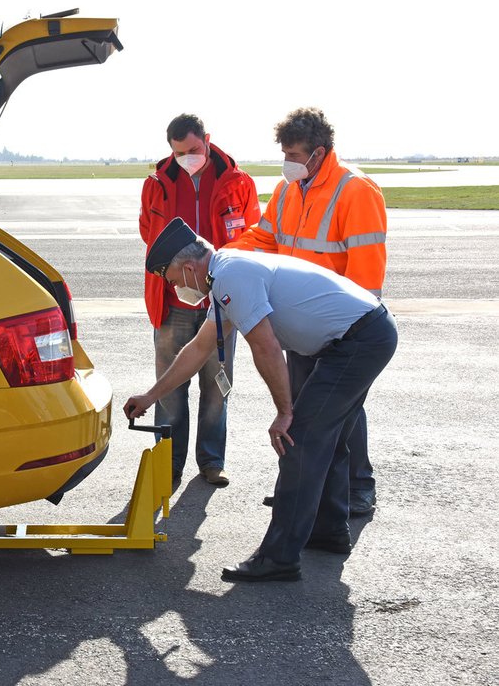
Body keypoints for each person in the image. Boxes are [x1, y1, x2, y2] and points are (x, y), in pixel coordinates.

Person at [125, 218, 397, 581]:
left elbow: (265, 346)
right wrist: (151, 395)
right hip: (361, 335)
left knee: (297, 440)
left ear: (189, 267)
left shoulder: (231, 275)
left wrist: (285, 413)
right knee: (326, 440)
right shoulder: (227, 274)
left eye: (172, 279)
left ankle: (279, 557)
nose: (174, 287)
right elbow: (198, 350)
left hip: (358, 341)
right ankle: (328, 531)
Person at [227, 107, 387, 516]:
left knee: (343, 412)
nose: (288, 162)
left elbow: (367, 272)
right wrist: (222, 258)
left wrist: (351, 331)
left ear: (318, 153)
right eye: (285, 153)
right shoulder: (288, 191)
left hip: (341, 327)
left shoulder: (355, 190)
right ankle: (302, 487)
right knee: (302, 410)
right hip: (300, 325)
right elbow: (263, 238)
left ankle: (357, 488)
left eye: (295, 155)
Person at [138, 114, 260, 488]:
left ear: (206, 139)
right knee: (170, 386)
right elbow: (149, 235)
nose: (186, 158)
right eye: (178, 153)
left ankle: (211, 461)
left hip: (222, 300)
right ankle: (168, 465)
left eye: (192, 150)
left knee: (217, 384)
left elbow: (252, 235)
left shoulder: (238, 184)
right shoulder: (156, 185)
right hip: (171, 302)